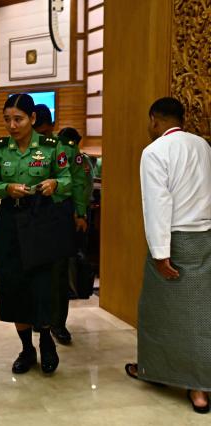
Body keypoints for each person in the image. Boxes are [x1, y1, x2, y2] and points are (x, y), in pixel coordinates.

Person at [125, 97, 211, 414]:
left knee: (169, 315)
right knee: (197, 313)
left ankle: (198, 388)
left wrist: (161, 253)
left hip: (175, 240)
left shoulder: (155, 151)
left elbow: (157, 204)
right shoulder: (203, 146)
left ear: (154, 120)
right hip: (205, 238)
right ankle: (159, 371)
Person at [0, 94, 71, 375]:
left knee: (42, 282)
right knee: (13, 282)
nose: (12, 125)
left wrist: (55, 183)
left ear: (32, 119)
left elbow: (68, 178)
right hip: (10, 218)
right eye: (7, 119)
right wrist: (6, 189)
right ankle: (26, 348)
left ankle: (46, 340)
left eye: (18, 119)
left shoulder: (50, 146)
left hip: (40, 218)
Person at [33, 105, 88, 345]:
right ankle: (38, 317)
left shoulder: (66, 150)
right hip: (32, 215)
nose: (44, 136)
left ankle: (58, 323)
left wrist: (80, 213)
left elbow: (78, 183)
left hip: (58, 214)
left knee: (58, 272)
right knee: (34, 268)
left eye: (47, 131)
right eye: (40, 132)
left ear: (53, 127)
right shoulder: (24, 150)